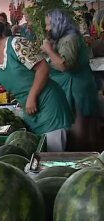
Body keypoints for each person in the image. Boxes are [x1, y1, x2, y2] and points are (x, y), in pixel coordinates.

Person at [0, 20, 73, 152]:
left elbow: (43, 68)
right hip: (32, 114)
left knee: (52, 157)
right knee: (40, 156)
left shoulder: (17, 45)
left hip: (50, 106)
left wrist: (32, 97)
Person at [41, 9, 99, 151]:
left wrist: (49, 50)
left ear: (58, 23)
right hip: (74, 86)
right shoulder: (63, 39)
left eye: (49, 25)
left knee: (80, 132)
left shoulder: (70, 39)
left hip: (77, 89)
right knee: (78, 129)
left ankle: (85, 162)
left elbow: (63, 65)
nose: (47, 29)